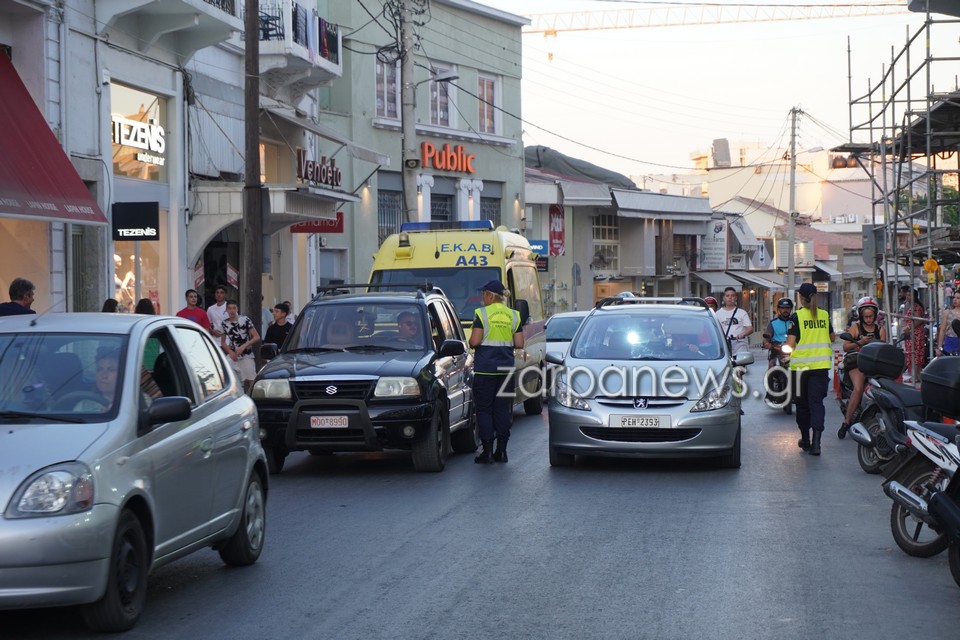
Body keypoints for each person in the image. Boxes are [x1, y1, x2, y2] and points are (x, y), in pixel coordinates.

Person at [469, 279, 524, 464]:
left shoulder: (482, 314)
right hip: (506, 370)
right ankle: (502, 451)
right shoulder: (514, 315)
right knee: (502, 409)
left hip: (485, 371)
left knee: (484, 410)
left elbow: (475, 342)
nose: (482, 298)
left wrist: (472, 342)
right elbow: (519, 343)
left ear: (490, 295)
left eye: (483, 294)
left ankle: (487, 452)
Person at [786, 282, 836, 456]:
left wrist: (784, 351)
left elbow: (790, 344)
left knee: (802, 405)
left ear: (801, 297)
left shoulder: (796, 317)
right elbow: (832, 337)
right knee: (816, 404)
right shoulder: (824, 315)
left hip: (800, 368)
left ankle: (805, 439)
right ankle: (816, 443)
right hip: (821, 367)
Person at [838, 296, 887, 439]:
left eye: (871, 316)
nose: (869, 319)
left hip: (875, 364)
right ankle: (846, 423)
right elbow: (845, 347)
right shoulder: (856, 327)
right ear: (860, 315)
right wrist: (860, 342)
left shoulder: (880, 329)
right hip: (858, 363)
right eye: (865, 317)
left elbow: (884, 347)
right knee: (858, 389)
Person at [220, 299, 260, 393]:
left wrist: (244, 346)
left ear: (237, 308)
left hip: (246, 353)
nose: (232, 311)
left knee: (251, 380)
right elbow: (222, 342)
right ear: (226, 310)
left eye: (234, 308)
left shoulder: (245, 320)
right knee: (232, 380)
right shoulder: (224, 323)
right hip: (233, 354)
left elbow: (256, 337)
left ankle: (253, 399)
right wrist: (230, 352)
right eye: (229, 308)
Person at [73, 347, 120, 412]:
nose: (104, 375)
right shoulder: (84, 405)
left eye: (111, 370)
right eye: (99, 369)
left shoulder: (131, 404)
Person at [714, 286, 752, 356]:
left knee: (741, 366)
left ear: (736, 298)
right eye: (727, 296)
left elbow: (749, 329)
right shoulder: (717, 314)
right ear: (724, 298)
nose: (730, 297)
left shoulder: (742, 312)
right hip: (725, 346)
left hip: (740, 346)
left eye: (732, 295)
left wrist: (742, 334)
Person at [900, 286, 927, 381]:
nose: (907, 297)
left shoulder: (916, 307)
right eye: (907, 295)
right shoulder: (910, 305)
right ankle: (916, 376)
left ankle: (915, 377)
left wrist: (908, 327)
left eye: (909, 295)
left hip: (916, 334)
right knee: (914, 354)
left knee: (914, 354)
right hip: (912, 334)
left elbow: (918, 320)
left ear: (914, 296)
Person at [762, 297, 795, 370]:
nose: (785, 310)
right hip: (776, 348)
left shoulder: (794, 322)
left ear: (791, 309)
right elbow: (767, 335)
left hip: (791, 348)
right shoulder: (773, 323)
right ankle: (770, 379)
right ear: (779, 309)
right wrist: (766, 343)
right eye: (783, 308)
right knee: (772, 364)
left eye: (787, 308)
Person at [936, 291, 960, 356]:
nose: (955, 300)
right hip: (950, 342)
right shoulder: (947, 312)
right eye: (954, 297)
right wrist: (939, 347)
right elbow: (942, 330)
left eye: (958, 298)